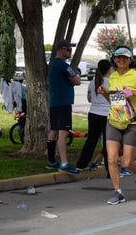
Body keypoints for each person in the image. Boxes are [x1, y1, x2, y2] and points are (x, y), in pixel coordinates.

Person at [98, 46, 136, 205]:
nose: (121, 60)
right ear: (114, 59)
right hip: (114, 121)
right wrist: (104, 94)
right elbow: (116, 102)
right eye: (118, 57)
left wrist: (134, 93)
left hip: (134, 122)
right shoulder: (112, 77)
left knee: (127, 162)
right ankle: (118, 192)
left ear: (130, 60)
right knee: (112, 159)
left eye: (125, 58)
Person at [46, 39, 81, 175]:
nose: (70, 52)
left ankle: (51, 160)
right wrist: (73, 79)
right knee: (63, 132)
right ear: (60, 49)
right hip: (63, 103)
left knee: (53, 131)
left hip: (55, 102)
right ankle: (64, 162)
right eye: (68, 49)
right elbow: (77, 81)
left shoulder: (53, 64)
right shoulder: (63, 65)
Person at [76, 59, 111, 172]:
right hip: (107, 115)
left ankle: (81, 164)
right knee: (108, 143)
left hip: (93, 113)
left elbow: (89, 99)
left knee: (91, 141)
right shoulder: (111, 83)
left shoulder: (93, 82)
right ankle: (110, 170)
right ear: (109, 70)